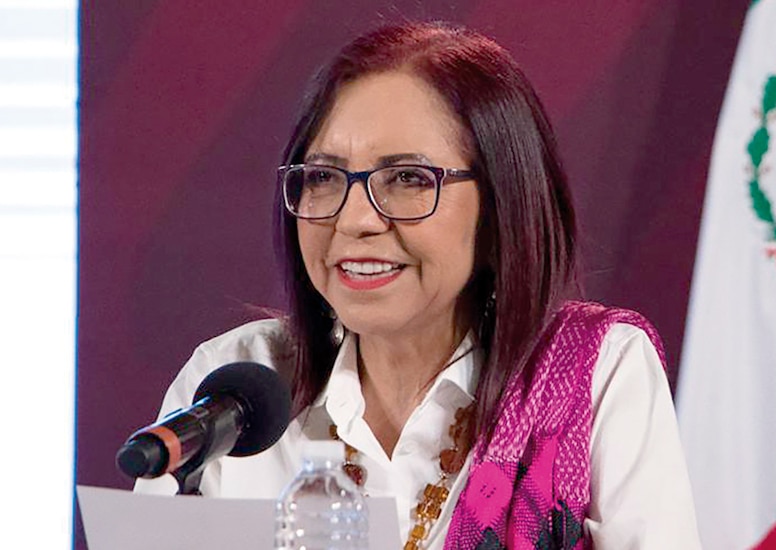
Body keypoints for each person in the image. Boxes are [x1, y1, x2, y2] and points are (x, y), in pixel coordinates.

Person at [135, 21, 700, 549]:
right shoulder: (232, 389)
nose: (354, 219)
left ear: (502, 205)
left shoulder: (592, 375)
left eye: (408, 178)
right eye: (325, 178)